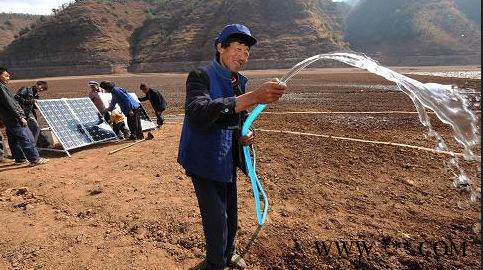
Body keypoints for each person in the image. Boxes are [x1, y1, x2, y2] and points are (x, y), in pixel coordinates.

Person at [178, 24, 287, 270]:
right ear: (220, 47)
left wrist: (246, 133)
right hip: (204, 160)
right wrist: (253, 97)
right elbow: (197, 111)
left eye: (247, 52)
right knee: (216, 218)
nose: (243, 56)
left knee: (231, 212)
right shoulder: (200, 76)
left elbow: (241, 119)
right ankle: (215, 264)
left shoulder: (237, 81)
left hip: (227, 156)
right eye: (238, 48)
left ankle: (229, 254)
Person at [0, 66, 48, 166]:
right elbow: (11, 103)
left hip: (7, 117)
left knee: (13, 139)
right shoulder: (2, 88)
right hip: (14, 117)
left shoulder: (2, 87)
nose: (9, 77)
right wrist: (21, 116)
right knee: (26, 137)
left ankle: (20, 159)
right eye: (6, 75)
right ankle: (35, 159)